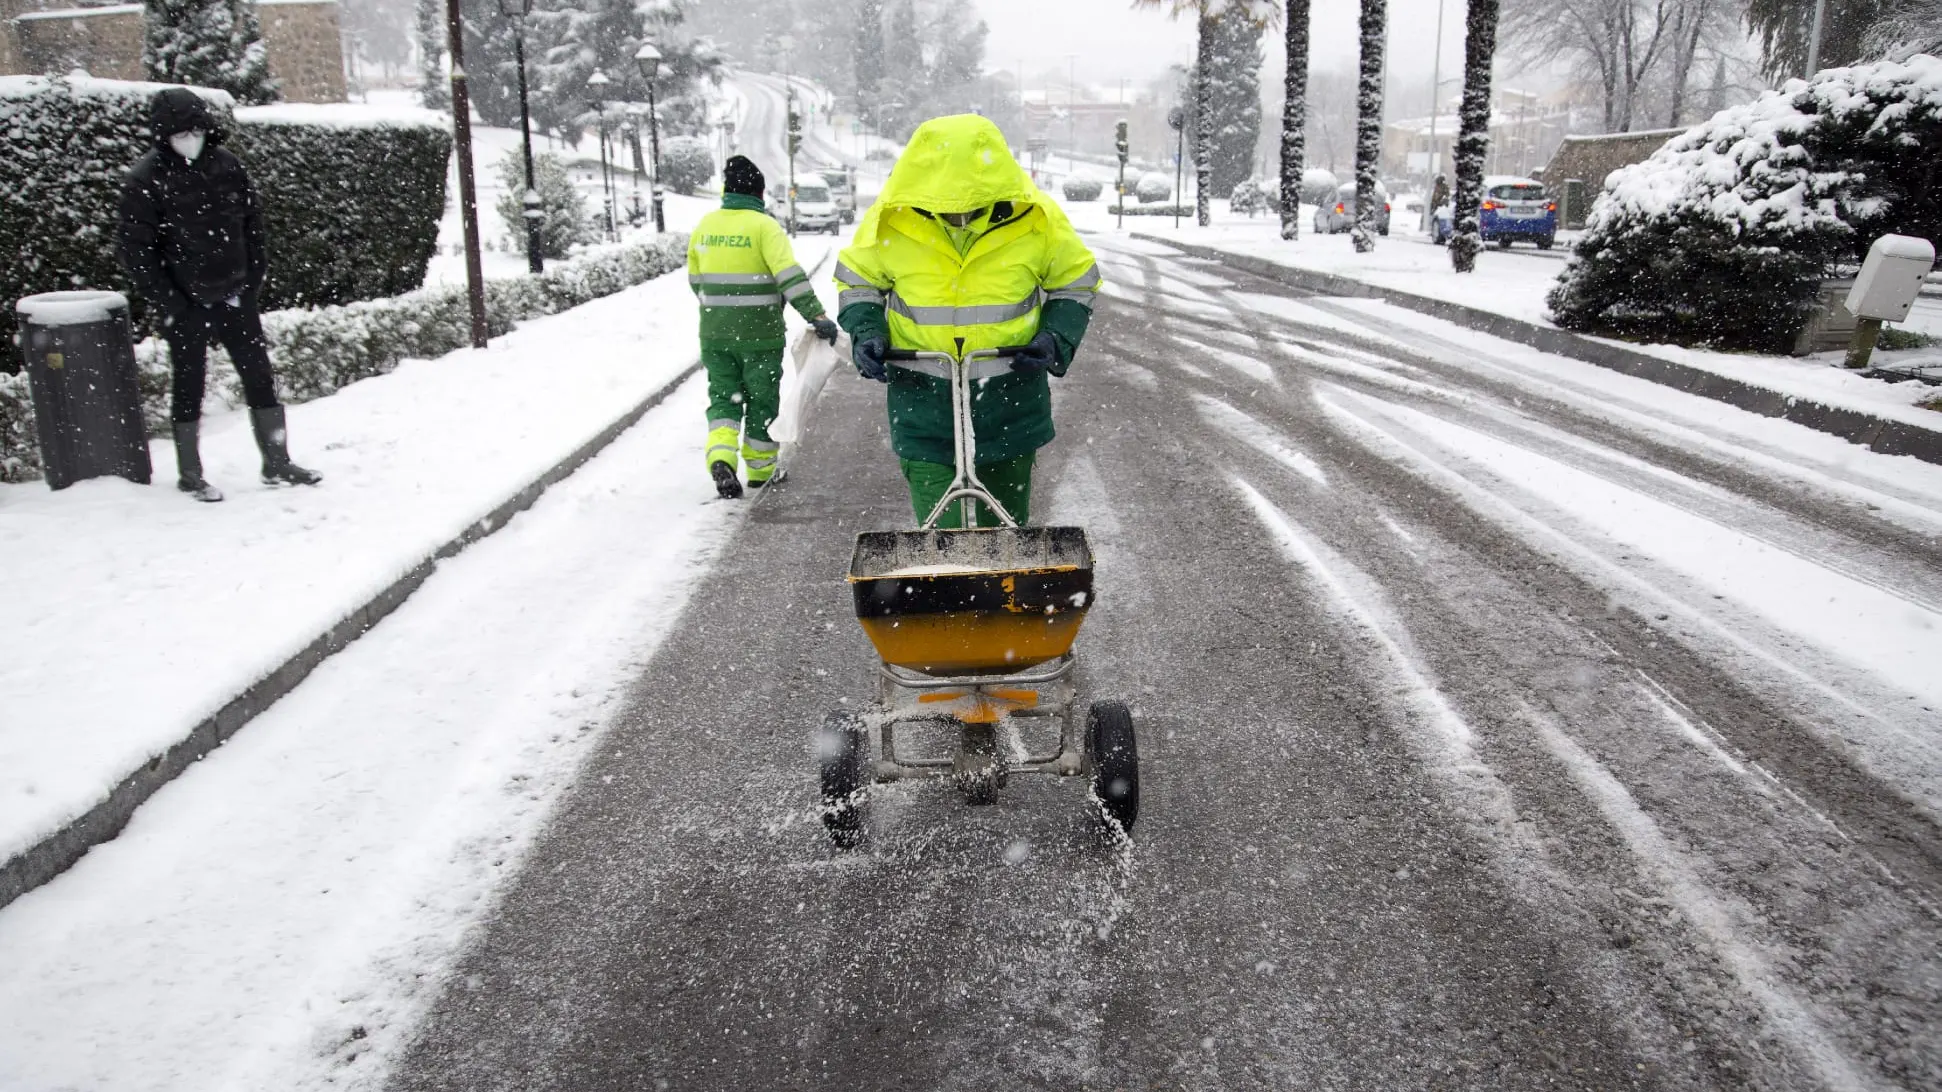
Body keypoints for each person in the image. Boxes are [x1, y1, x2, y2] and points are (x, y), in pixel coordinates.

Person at [833, 114, 1100, 528]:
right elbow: (859, 282)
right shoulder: (890, 221)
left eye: (972, 205)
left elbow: (1075, 281)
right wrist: (867, 331)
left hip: (1009, 395)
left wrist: (1055, 336)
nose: (959, 215)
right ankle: (953, 590)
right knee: (943, 531)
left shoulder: (1037, 220)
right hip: (922, 399)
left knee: (1005, 531)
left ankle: (998, 591)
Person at [117, 87, 320, 503]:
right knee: (188, 382)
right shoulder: (145, 179)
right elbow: (137, 251)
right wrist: (173, 302)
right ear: (163, 136)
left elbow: (252, 227)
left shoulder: (227, 167)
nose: (190, 138)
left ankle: (277, 460)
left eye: (195, 130)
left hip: (234, 297)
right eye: (179, 133)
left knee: (260, 377)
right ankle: (191, 474)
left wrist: (250, 283)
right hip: (185, 303)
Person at [687, 155, 839, 499]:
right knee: (761, 399)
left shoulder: (705, 226)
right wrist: (816, 315)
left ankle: (722, 455)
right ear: (759, 192)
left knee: (723, 399)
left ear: (728, 190)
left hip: (715, 335)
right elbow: (790, 277)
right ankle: (760, 470)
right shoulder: (764, 227)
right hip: (760, 335)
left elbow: (696, 282)